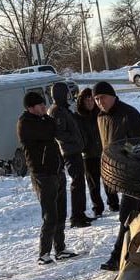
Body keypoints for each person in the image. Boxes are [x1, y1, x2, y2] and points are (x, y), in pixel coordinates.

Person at [93, 81, 140, 272]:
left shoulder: (128, 114)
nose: (100, 102)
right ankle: (136, 254)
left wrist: (122, 152)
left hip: (135, 173)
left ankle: (117, 257)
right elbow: (105, 146)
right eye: (96, 99)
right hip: (117, 175)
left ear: (112, 95)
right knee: (134, 217)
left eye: (103, 98)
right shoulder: (101, 117)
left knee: (126, 216)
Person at [17, 91, 76, 264]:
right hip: (42, 174)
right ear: (30, 107)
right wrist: (49, 122)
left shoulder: (44, 120)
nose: (44, 107)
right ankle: (44, 253)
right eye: (40, 105)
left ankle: (60, 248)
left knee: (61, 212)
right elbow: (48, 131)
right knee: (50, 215)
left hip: (57, 170)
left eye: (44, 104)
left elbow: (53, 127)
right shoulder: (25, 123)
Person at [47, 82, 91, 228]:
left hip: (75, 150)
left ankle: (80, 213)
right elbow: (59, 133)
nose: (69, 95)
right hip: (69, 152)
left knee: (79, 182)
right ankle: (76, 217)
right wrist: (74, 138)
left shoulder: (64, 109)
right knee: (77, 182)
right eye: (66, 93)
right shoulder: (56, 111)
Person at [76, 87, 117, 217]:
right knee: (93, 183)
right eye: (86, 101)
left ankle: (114, 203)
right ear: (81, 102)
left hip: (103, 152)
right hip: (88, 155)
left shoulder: (100, 114)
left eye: (91, 100)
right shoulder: (78, 117)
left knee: (108, 179)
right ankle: (97, 207)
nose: (90, 103)